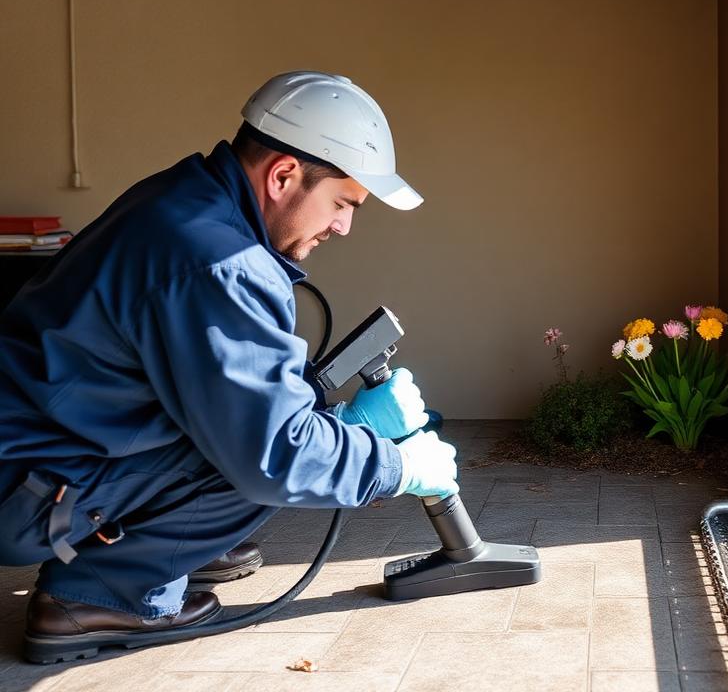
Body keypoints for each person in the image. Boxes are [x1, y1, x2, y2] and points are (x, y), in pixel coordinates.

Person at [0, 71, 460, 662]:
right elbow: (276, 449)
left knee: (273, 426)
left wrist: (339, 422)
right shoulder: (221, 262)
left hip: (32, 451)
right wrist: (397, 466)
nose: (344, 226)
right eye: (341, 203)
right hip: (23, 490)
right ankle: (101, 595)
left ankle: (167, 546)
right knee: (268, 455)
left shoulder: (189, 198)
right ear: (283, 175)